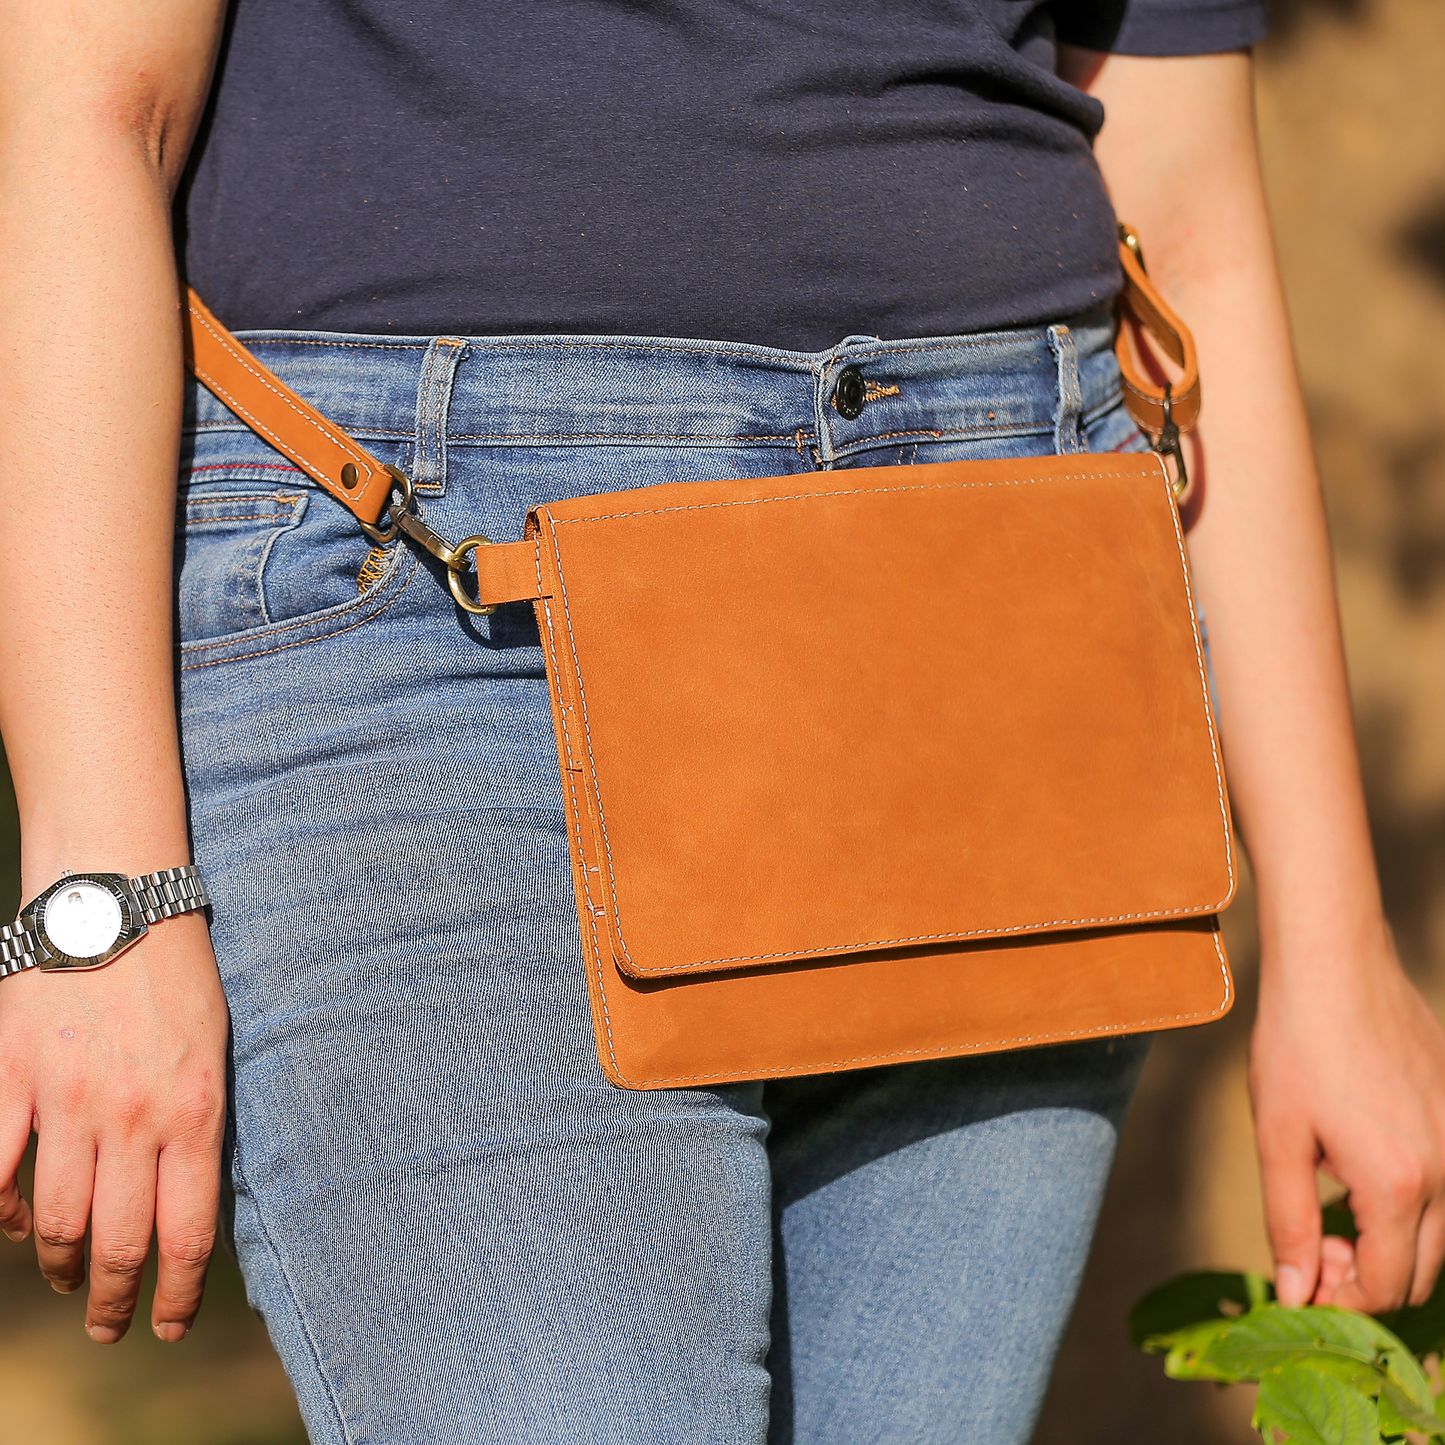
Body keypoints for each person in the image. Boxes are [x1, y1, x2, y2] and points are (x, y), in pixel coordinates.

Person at [3, 2, 1444, 1442]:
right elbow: (86, 106)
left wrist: (1335, 942)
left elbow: (1187, 219)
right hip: (453, 588)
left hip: (998, 582)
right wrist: (106, 892)